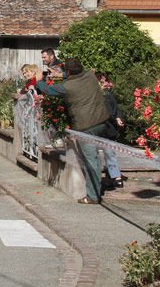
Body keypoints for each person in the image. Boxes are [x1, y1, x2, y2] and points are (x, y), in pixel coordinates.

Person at [35, 57, 112, 204]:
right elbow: (76, 74)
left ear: (68, 71)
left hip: (86, 126)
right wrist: (61, 75)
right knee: (94, 157)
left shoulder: (68, 87)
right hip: (101, 121)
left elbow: (48, 90)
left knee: (91, 160)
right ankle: (95, 190)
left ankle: (93, 196)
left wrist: (39, 80)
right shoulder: (89, 75)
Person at [101, 90, 126, 189]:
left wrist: (118, 117)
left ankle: (115, 176)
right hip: (97, 126)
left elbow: (115, 109)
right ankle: (113, 176)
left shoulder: (107, 94)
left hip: (107, 127)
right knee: (108, 152)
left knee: (109, 152)